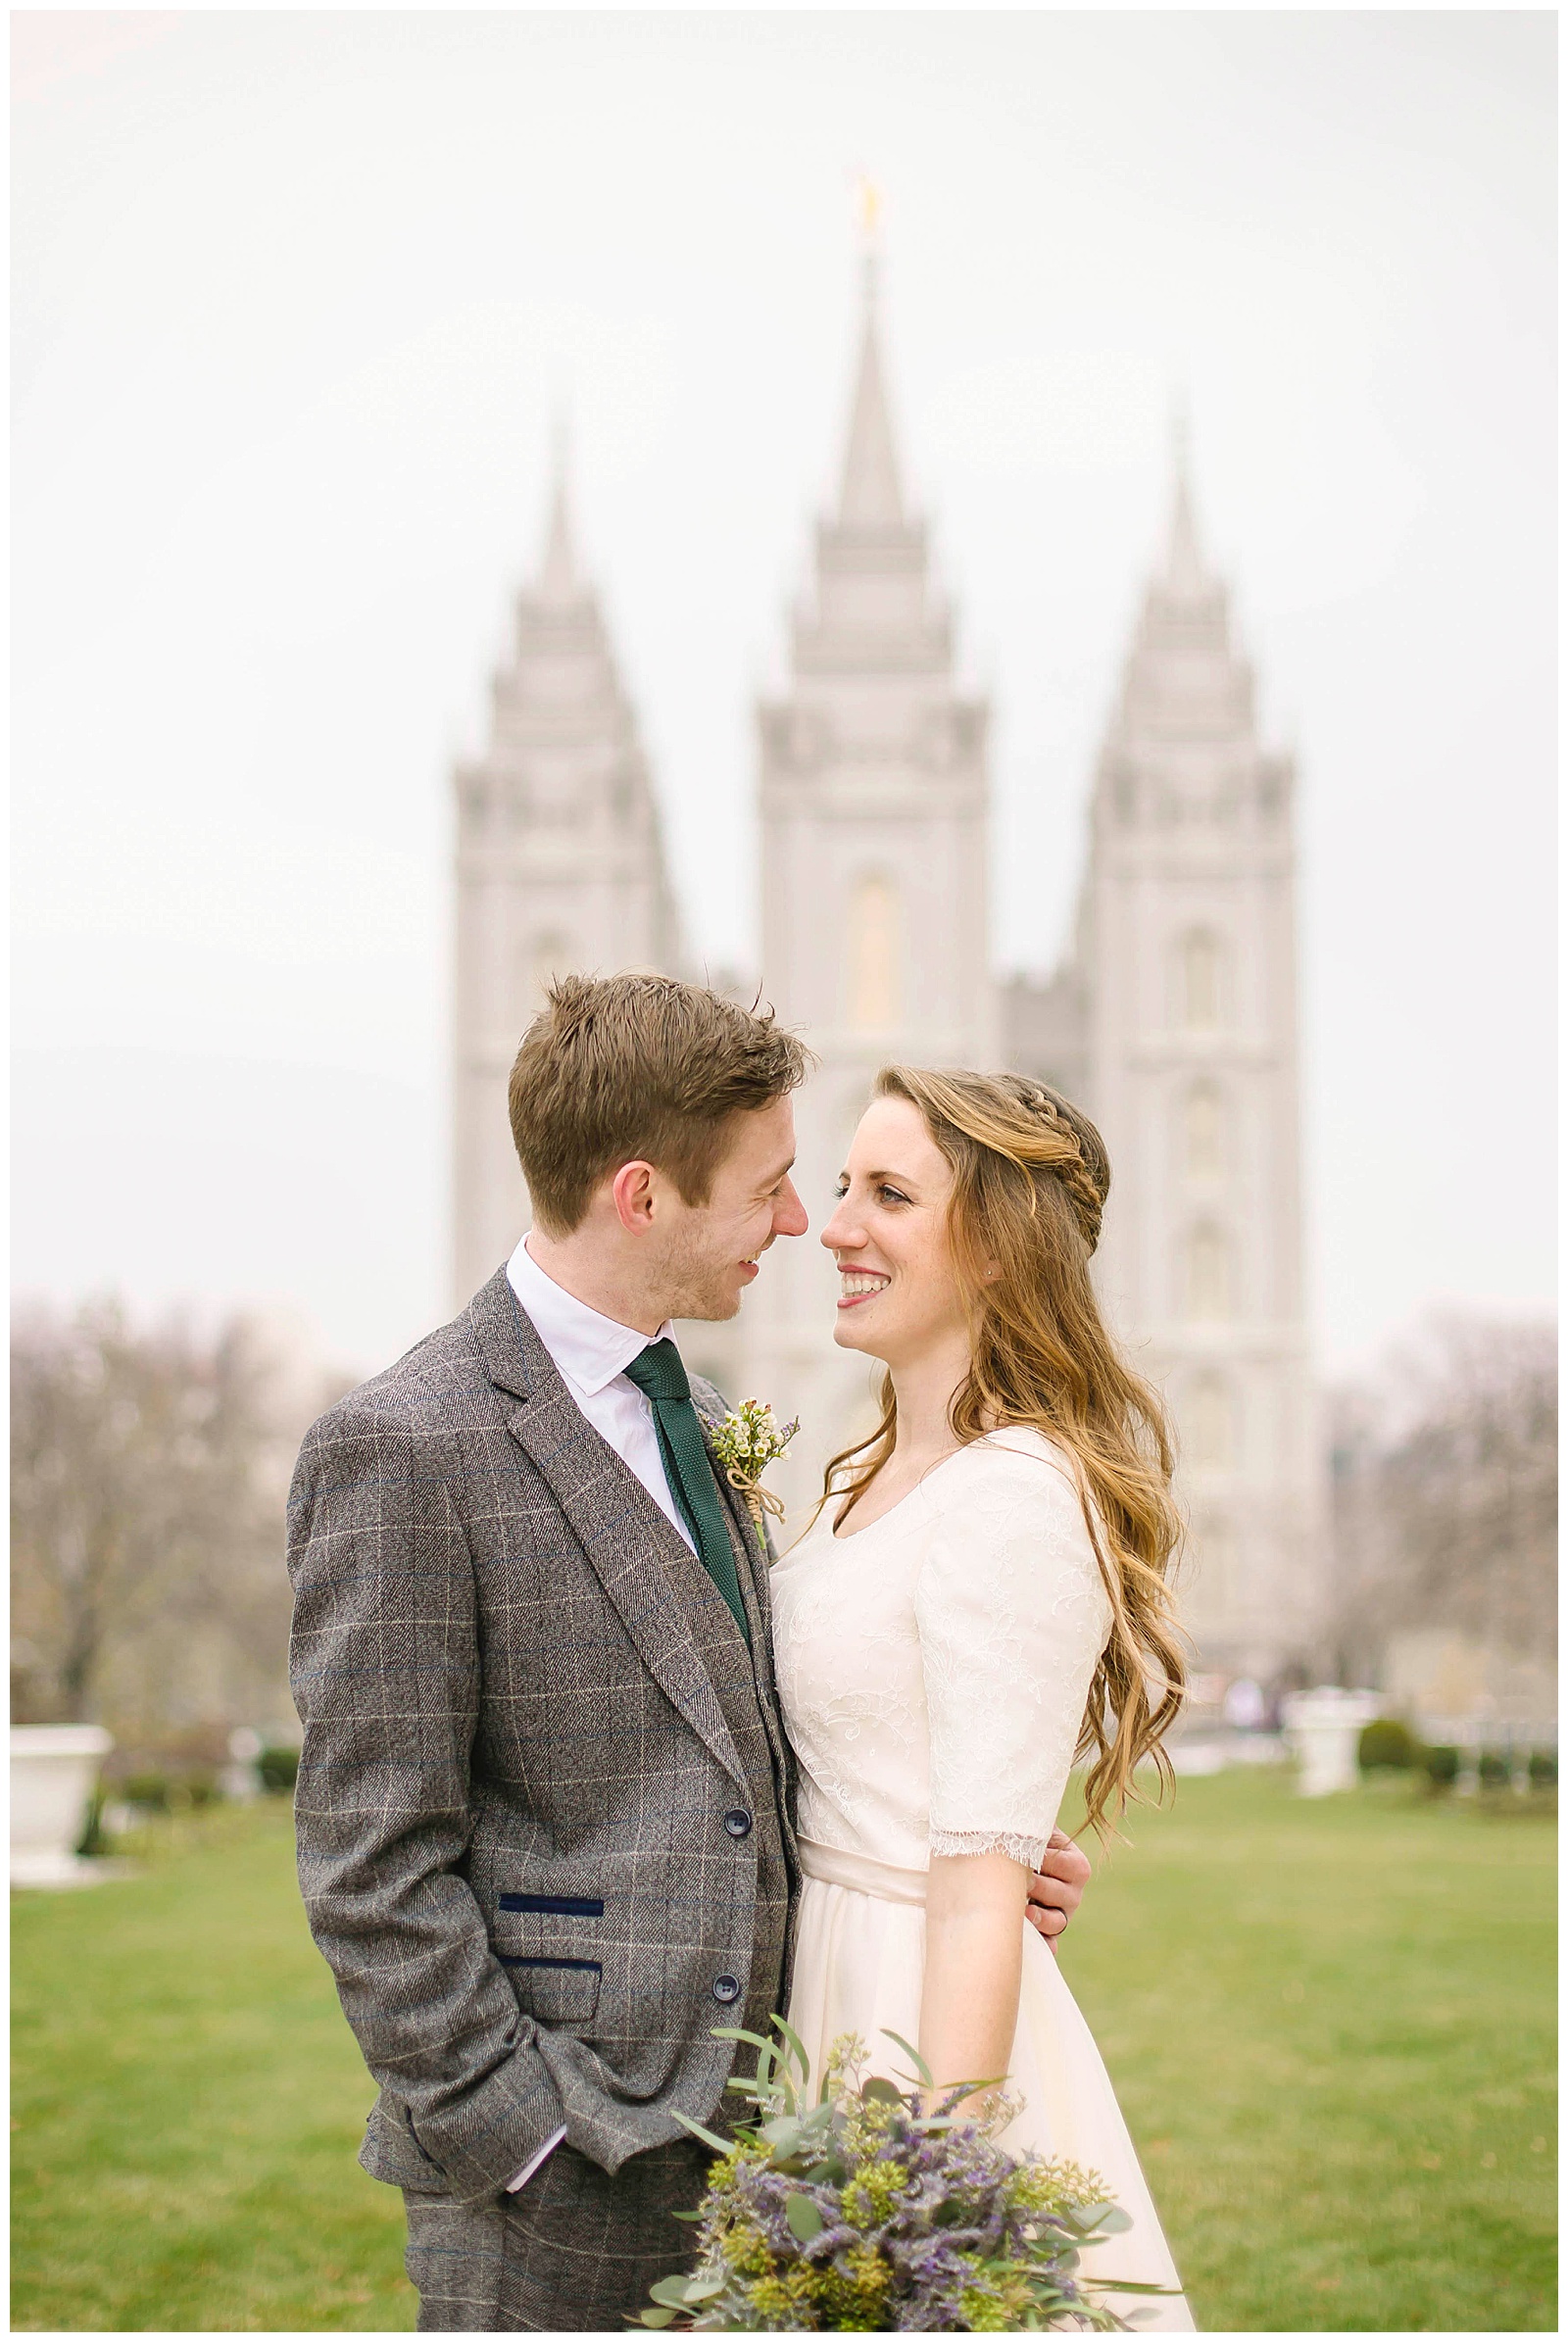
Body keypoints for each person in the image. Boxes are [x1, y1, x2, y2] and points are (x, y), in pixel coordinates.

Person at [287, 975, 1093, 2335]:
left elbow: (736, 1727)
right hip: (553, 2186)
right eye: (775, 1185)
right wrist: (521, 2130)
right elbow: (369, 1859)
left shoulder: (700, 1414)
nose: (800, 1221)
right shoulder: (404, 1443)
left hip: (783, 2140)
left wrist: (952, 1840)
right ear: (645, 1195)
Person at [773, 1063, 1196, 2329]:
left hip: (915, 2023)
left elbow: (971, 1894)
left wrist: (926, 2198)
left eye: (888, 1194)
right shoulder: (868, 1475)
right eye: (844, 1185)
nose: (836, 1223)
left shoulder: (1013, 1493)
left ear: (1002, 1247)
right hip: (824, 1987)